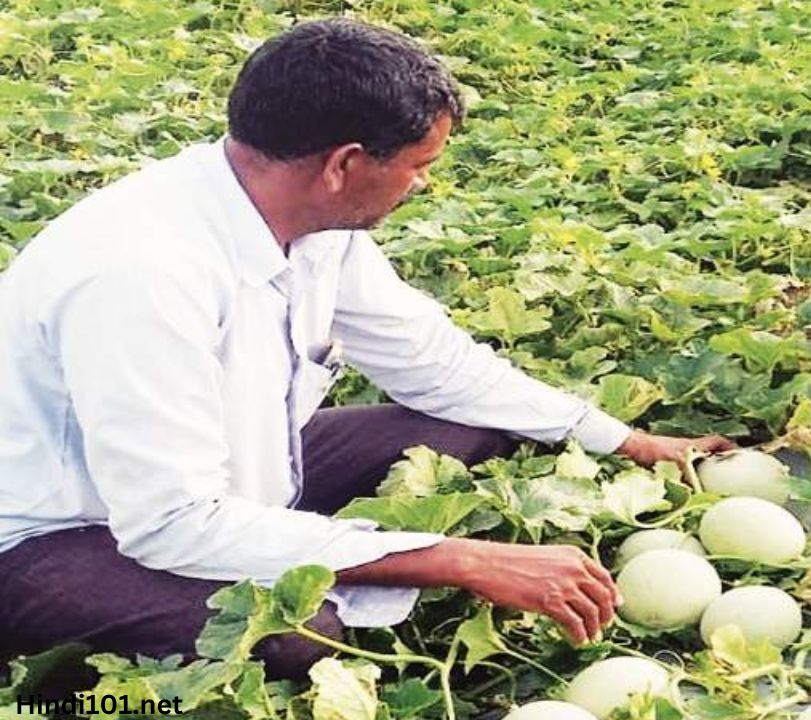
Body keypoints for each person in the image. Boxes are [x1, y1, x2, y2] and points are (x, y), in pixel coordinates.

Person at [0, 18, 733, 682]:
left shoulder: (309, 221)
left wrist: (627, 441)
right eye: (420, 165)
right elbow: (170, 521)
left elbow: (434, 362)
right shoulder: (143, 275)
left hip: (231, 477)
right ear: (343, 164)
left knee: (466, 428)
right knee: (293, 633)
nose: (423, 183)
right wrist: (462, 561)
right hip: (61, 533)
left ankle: (318, 552)